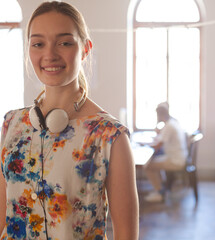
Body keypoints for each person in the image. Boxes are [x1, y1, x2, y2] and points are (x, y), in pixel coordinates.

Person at [0, 2, 138, 239]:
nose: (50, 54)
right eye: (38, 44)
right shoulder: (12, 124)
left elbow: (126, 235)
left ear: (85, 49)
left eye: (64, 42)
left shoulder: (109, 136)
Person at [144, 102, 188, 203]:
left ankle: (159, 192)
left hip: (175, 160)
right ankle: (161, 189)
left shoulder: (169, 126)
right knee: (154, 162)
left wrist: (142, 144)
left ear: (159, 115)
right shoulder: (172, 123)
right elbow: (160, 138)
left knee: (148, 166)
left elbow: (157, 145)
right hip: (178, 157)